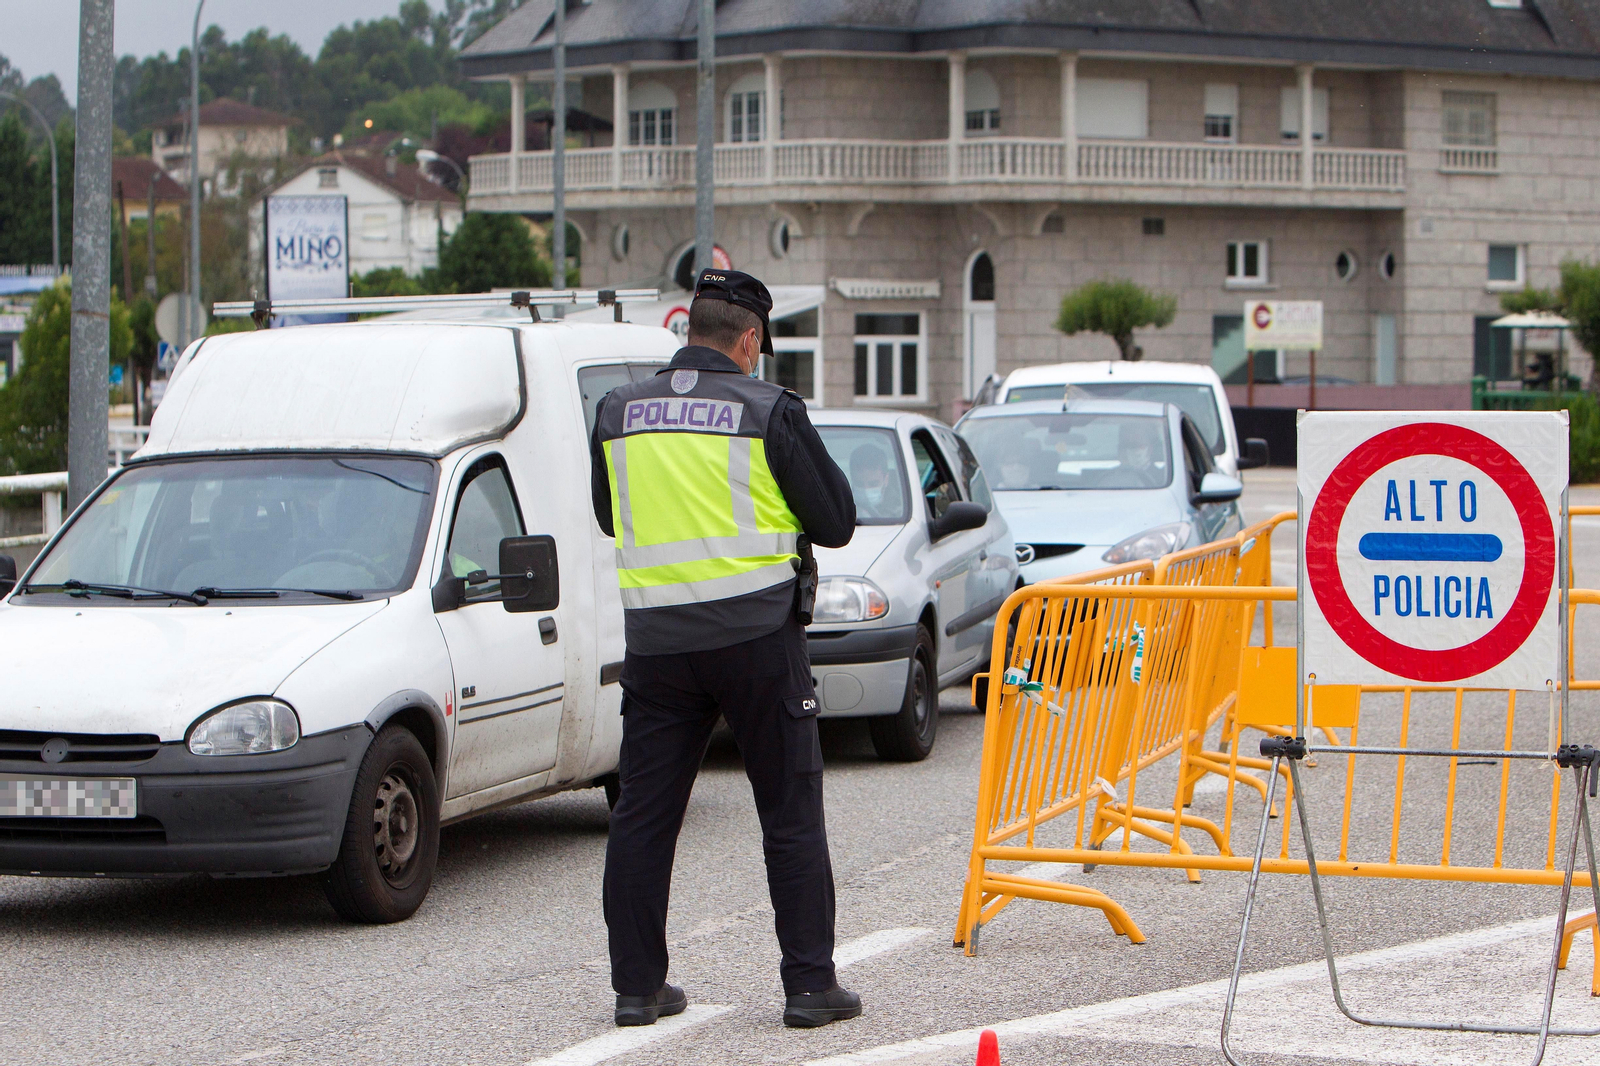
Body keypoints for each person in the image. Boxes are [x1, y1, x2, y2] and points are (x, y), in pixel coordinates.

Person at [589, 269, 862, 1030]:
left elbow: (611, 516)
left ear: (689, 331)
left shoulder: (616, 411)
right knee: (789, 813)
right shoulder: (767, 408)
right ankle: (810, 987)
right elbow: (836, 519)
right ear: (748, 341)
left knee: (643, 816)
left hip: (658, 646)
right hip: (755, 641)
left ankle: (638, 989)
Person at [849, 444, 899, 518]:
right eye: (859, 484)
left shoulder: (901, 510)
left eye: (873, 484)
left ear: (886, 479)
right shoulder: (842, 508)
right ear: (852, 480)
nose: (866, 490)